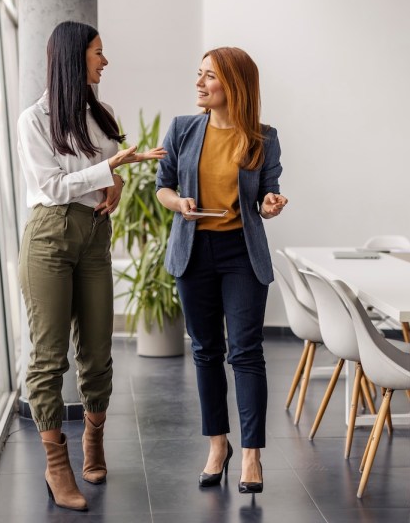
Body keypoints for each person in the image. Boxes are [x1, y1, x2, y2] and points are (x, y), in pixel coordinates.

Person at [17, 21, 165, 511]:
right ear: (73, 57)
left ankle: (93, 441)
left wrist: (114, 185)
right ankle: (56, 464)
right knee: (48, 355)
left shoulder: (102, 115)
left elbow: (102, 181)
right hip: (50, 237)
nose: (105, 61)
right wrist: (110, 170)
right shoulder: (33, 120)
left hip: (94, 235)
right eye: (98, 53)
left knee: (98, 350)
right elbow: (53, 186)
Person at [155, 47, 288, 494]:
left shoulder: (263, 138)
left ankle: (251, 454)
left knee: (246, 351)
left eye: (208, 76)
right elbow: (163, 188)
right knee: (206, 350)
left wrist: (271, 203)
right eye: (199, 74)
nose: (199, 83)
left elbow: (268, 196)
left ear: (232, 84)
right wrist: (180, 203)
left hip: (241, 253)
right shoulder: (183, 129)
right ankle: (218, 445)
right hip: (193, 249)